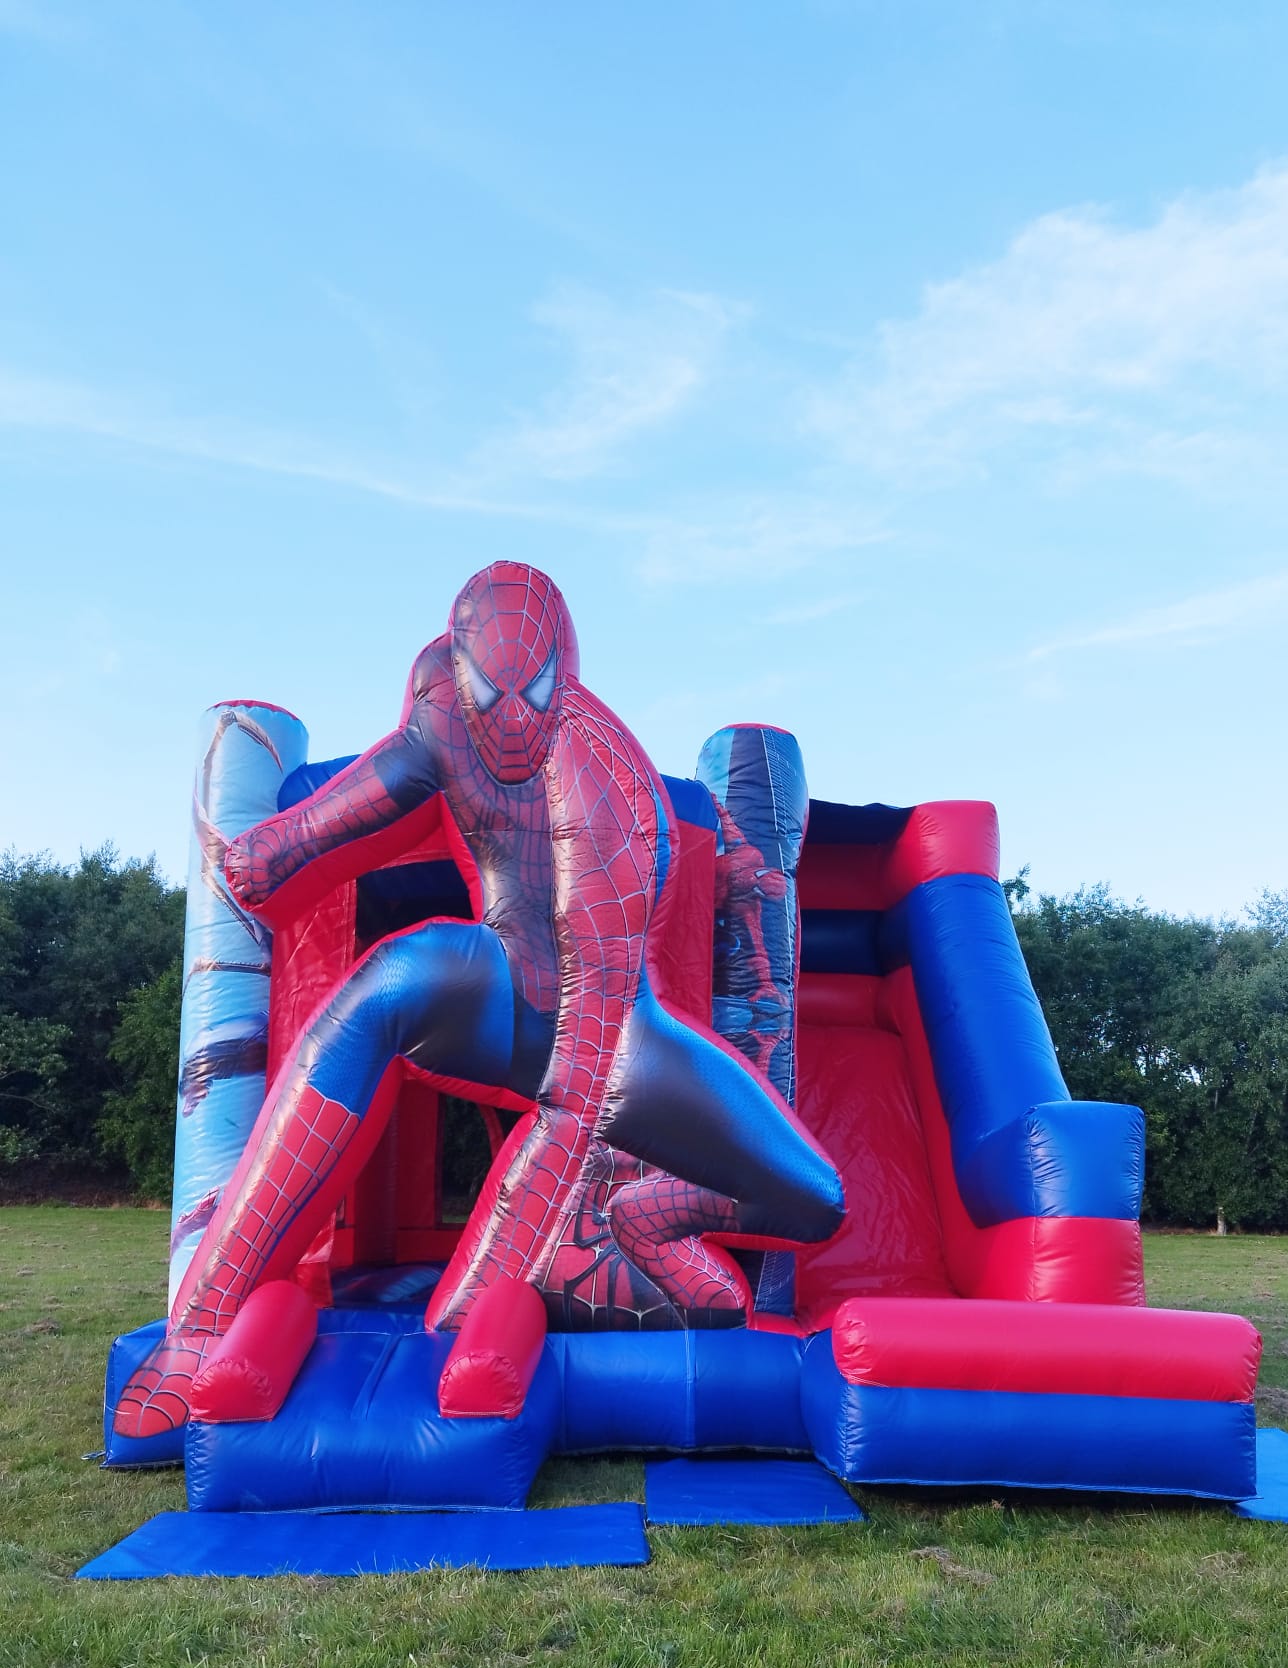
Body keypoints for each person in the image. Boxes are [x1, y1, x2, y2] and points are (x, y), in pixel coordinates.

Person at [115, 562, 843, 1437]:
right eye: (490, 690)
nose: (511, 718)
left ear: (562, 676)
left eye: (532, 690)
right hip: (502, 989)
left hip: (624, 1040)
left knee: (815, 1197)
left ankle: (641, 1219)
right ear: (458, 667)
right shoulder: (441, 709)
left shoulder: (598, 777)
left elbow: (587, 1064)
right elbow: (383, 781)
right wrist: (278, 845)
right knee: (392, 981)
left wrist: (494, 1267)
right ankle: (201, 1321)